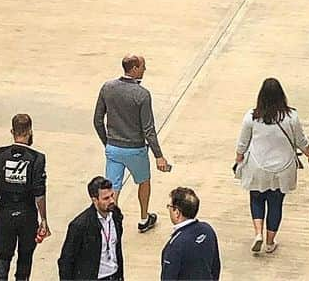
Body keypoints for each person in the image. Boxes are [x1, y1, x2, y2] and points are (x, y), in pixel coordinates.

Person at [234, 78, 309, 256]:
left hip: (258, 167)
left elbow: (243, 142)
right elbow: (301, 140)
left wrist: (239, 158)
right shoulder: (291, 117)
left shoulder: (251, 117)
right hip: (283, 169)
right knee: (275, 204)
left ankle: (258, 233)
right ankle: (270, 242)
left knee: (256, 199)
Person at [93, 55, 172, 233]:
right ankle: (144, 218)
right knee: (144, 181)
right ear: (135, 68)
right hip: (135, 149)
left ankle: (110, 222)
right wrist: (158, 155)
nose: (145, 69)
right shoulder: (142, 94)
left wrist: (107, 142)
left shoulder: (108, 88)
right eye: (143, 66)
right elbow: (148, 129)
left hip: (113, 148)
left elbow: (98, 120)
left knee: (113, 188)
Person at [0, 114, 49, 281]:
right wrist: (44, 219)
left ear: (12, 131)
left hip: (4, 213)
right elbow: (39, 192)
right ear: (30, 131)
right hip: (27, 214)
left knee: (2, 256)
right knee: (25, 257)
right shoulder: (37, 158)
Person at [57, 177, 123, 281]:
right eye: (106, 198)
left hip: (114, 276)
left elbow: (117, 249)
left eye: (112, 195)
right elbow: (66, 261)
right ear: (94, 200)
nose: (112, 201)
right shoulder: (80, 225)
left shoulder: (116, 215)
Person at [160, 187, 221, 281]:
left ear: (177, 212)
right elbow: (215, 267)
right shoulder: (208, 230)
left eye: (170, 206)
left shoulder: (175, 245)